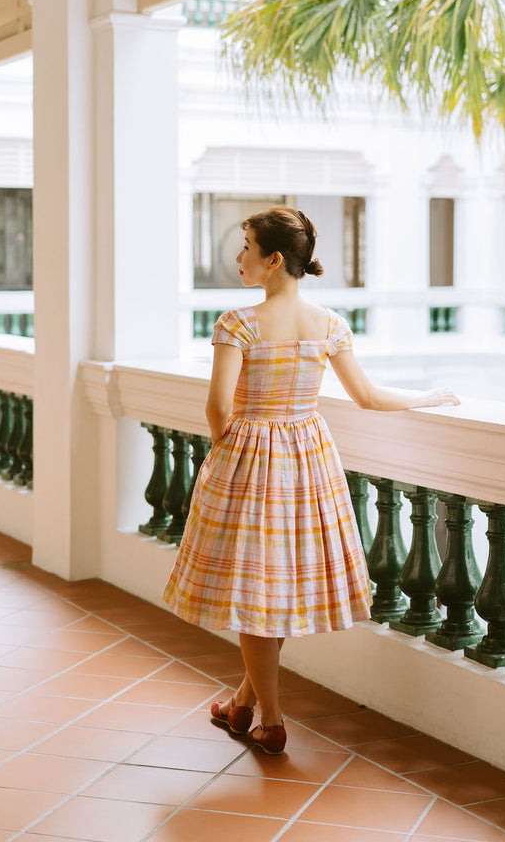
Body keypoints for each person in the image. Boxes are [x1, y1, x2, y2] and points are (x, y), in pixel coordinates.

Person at [163, 206, 459, 754]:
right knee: (273, 587)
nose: (239, 257)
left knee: (255, 588)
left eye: (246, 246)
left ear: (273, 260)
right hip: (308, 457)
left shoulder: (239, 322)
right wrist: (423, 397)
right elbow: (367, 397)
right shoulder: (330, 324)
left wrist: (232, 449)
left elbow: (216, 407)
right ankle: (241, 707)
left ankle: (271, 720)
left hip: (252, 454)